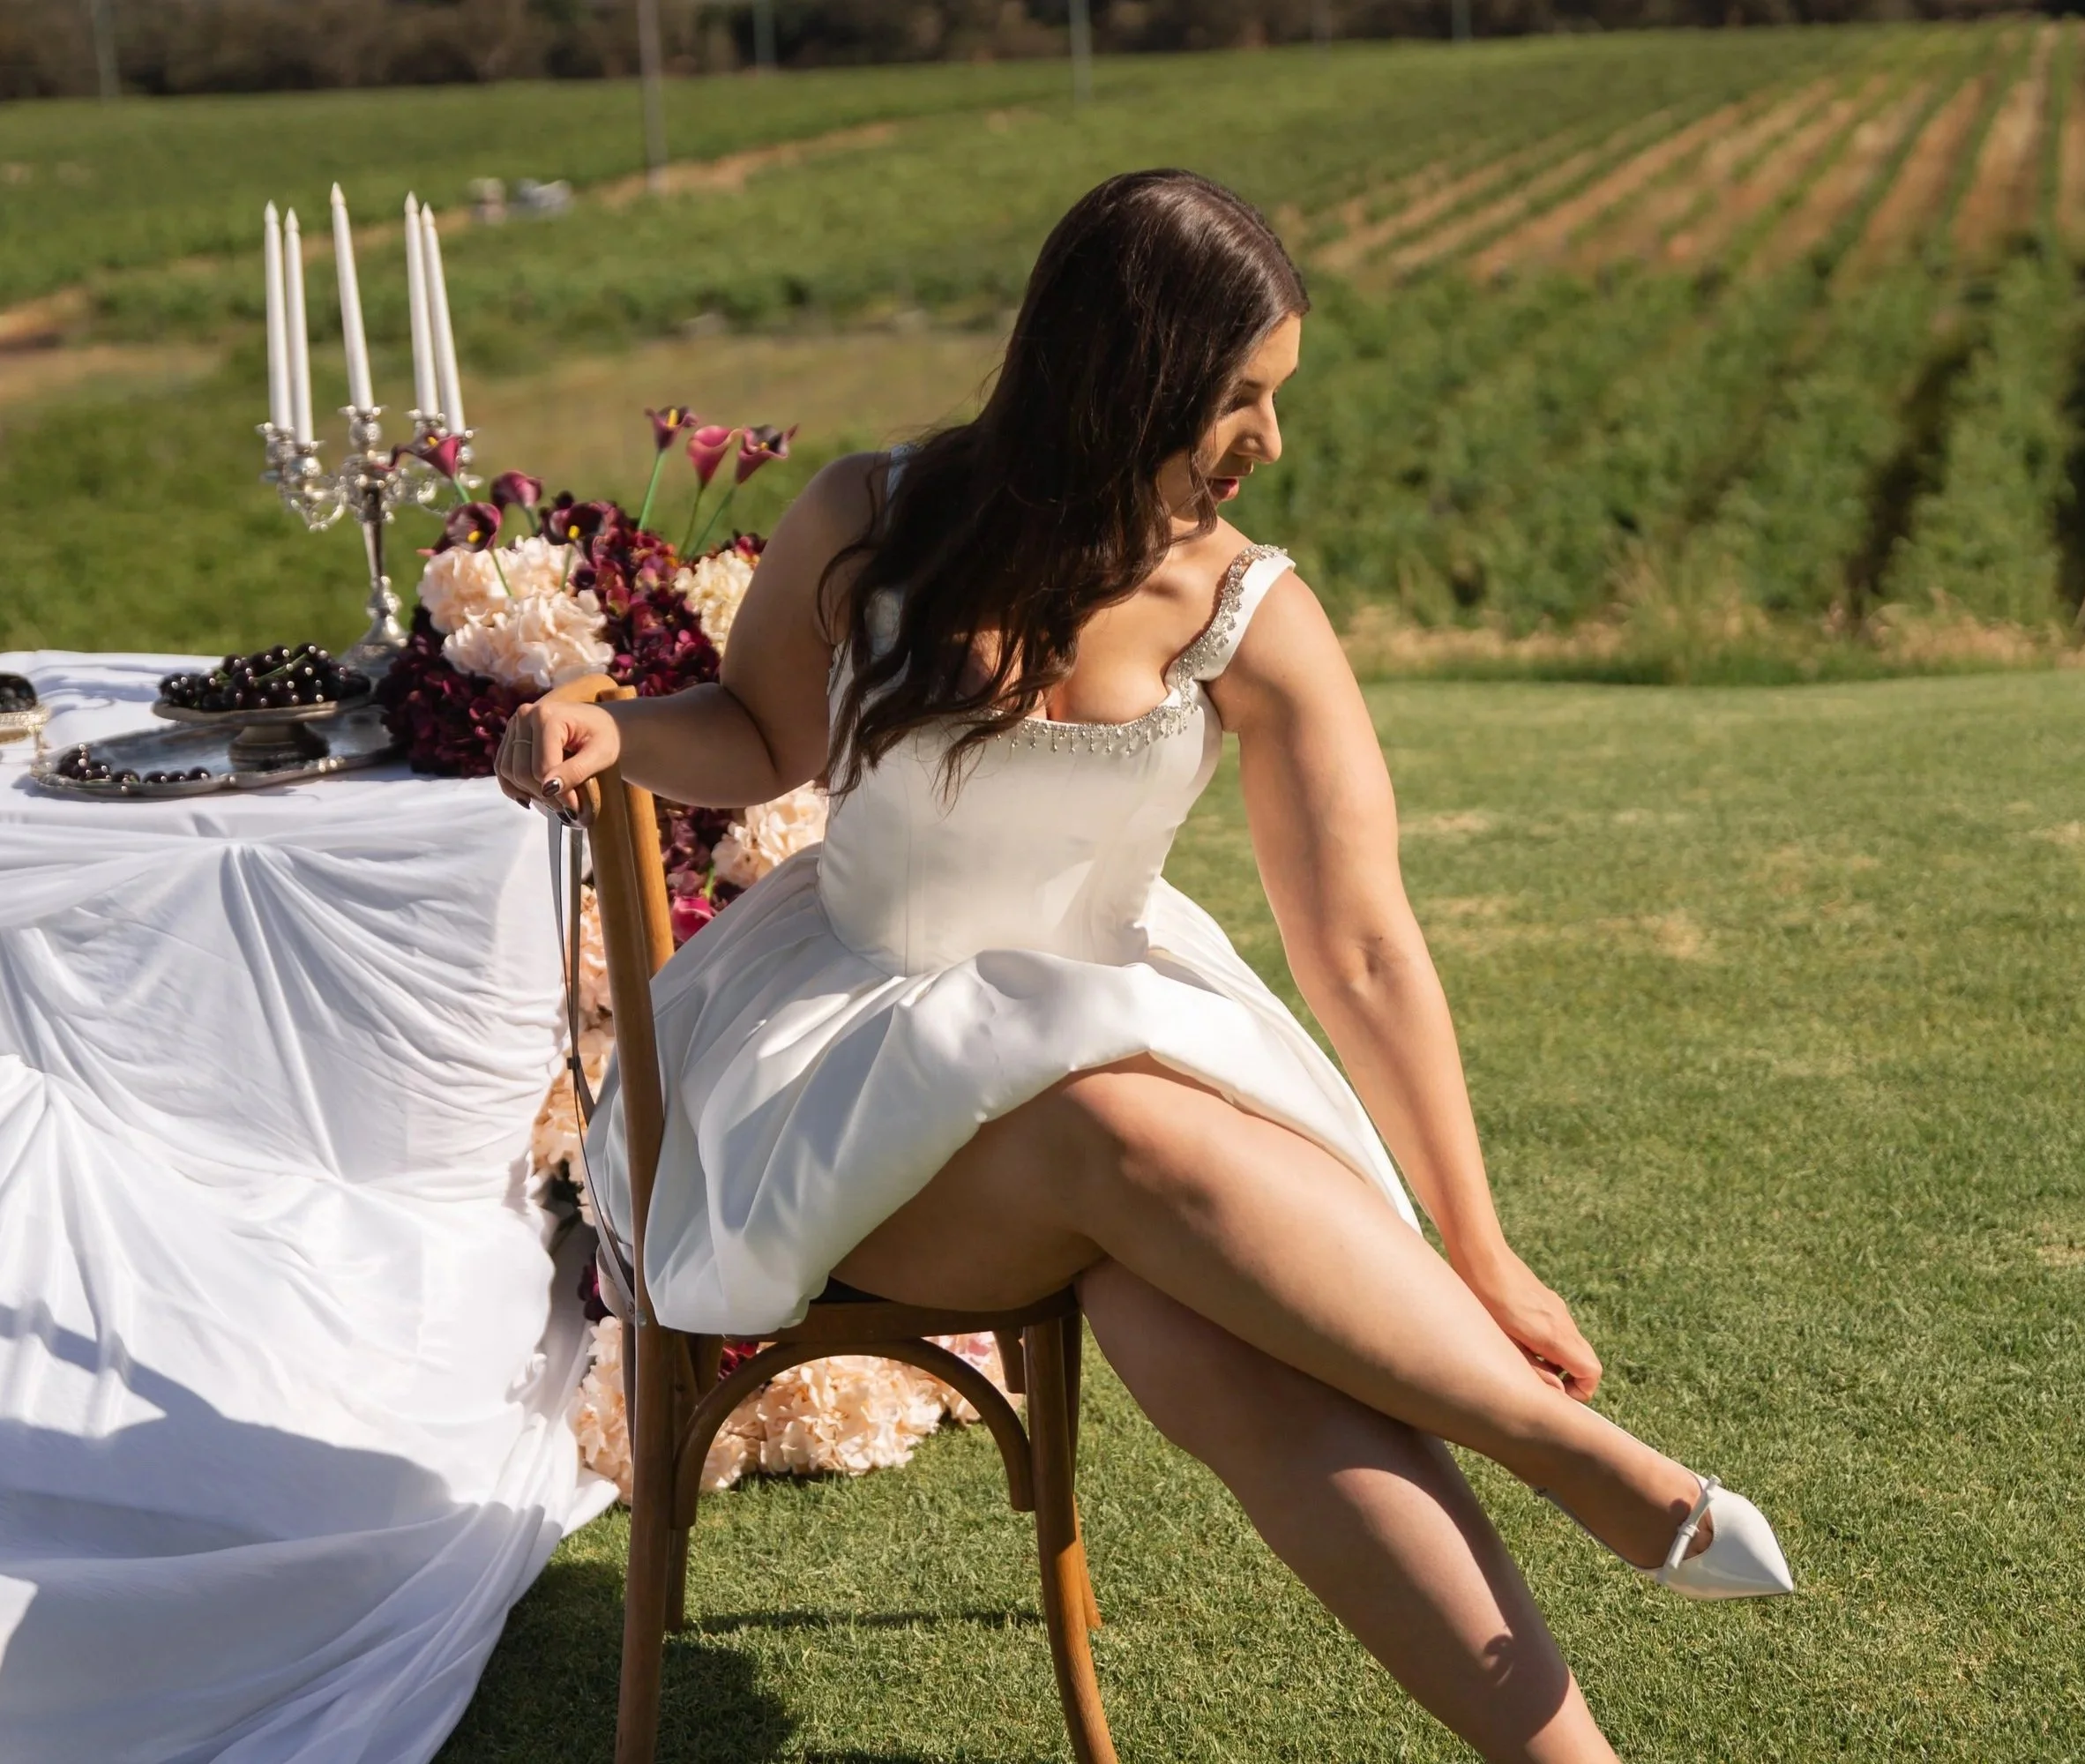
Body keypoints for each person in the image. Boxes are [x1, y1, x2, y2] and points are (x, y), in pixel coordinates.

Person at [495, 168, 1791, 1762]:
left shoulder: (1246, 604)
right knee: (1109, 1123)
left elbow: (1365, 944)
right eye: (1241, 397)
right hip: (839, 1089)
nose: (1269, 441)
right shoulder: (870, 518)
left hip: (1125, 1064)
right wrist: (613, 724)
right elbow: (757, 738)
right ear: (1127, 382)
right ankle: (1559, 1449)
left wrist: (1484, 1242)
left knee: (1204, 1321)